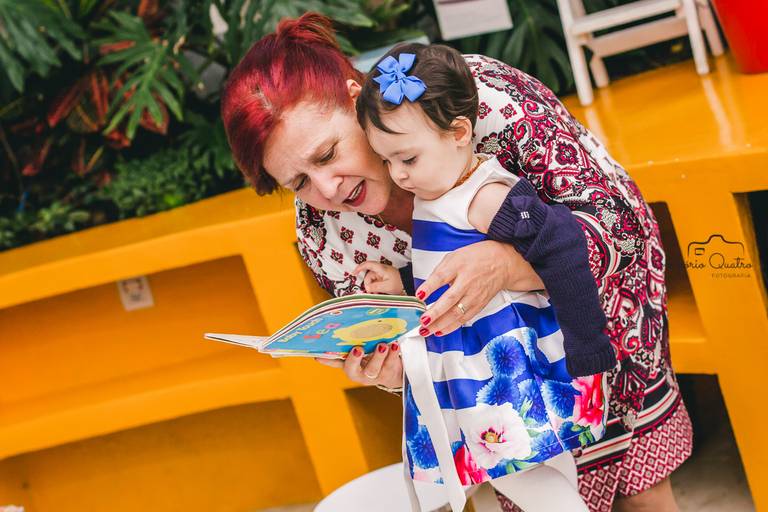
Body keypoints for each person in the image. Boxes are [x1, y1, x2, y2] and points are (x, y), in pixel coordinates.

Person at [221, 13, 692, 512]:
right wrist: (391, 367)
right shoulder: (323, 231)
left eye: (327, 154)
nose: (327, 190)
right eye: (298, 183)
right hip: (497, 391)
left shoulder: (471, 99)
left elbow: (617, 225)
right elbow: (419, 345)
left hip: (595, 326)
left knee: (642, 499)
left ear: (355, 96)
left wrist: (506, 266)